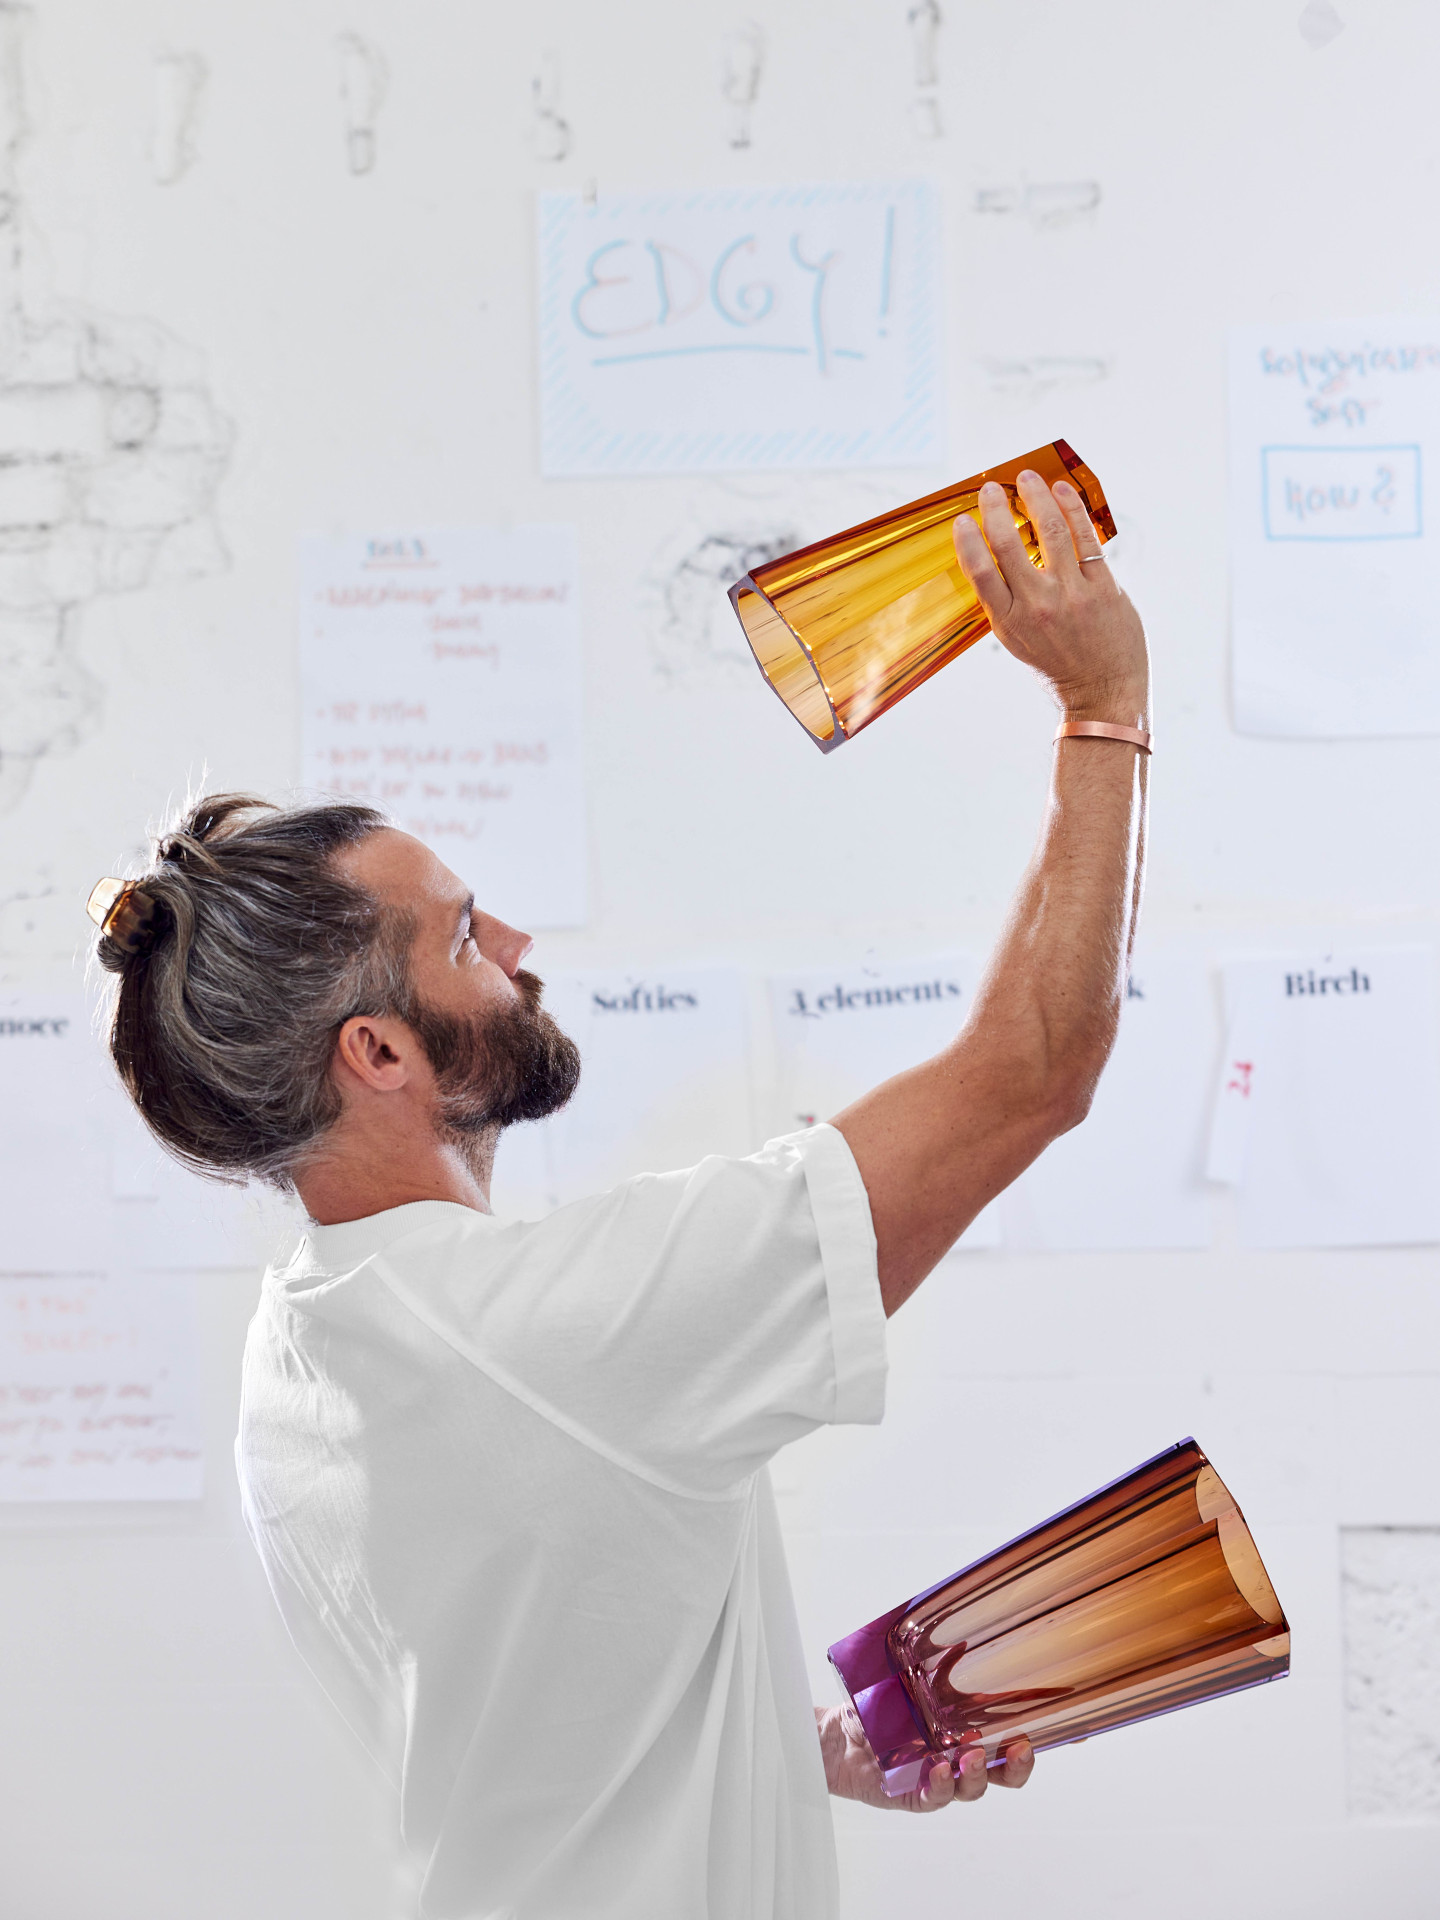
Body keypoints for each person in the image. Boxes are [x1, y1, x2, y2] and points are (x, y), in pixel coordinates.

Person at [89, 472, 1149, 1919]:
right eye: (465, 935)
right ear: (380, 1052)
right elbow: (1035, 1069)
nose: (519, 943)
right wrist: (1102, 705)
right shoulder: (552, 1336)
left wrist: (805, 1753)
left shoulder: (303, 1349)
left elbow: (535, 1708)